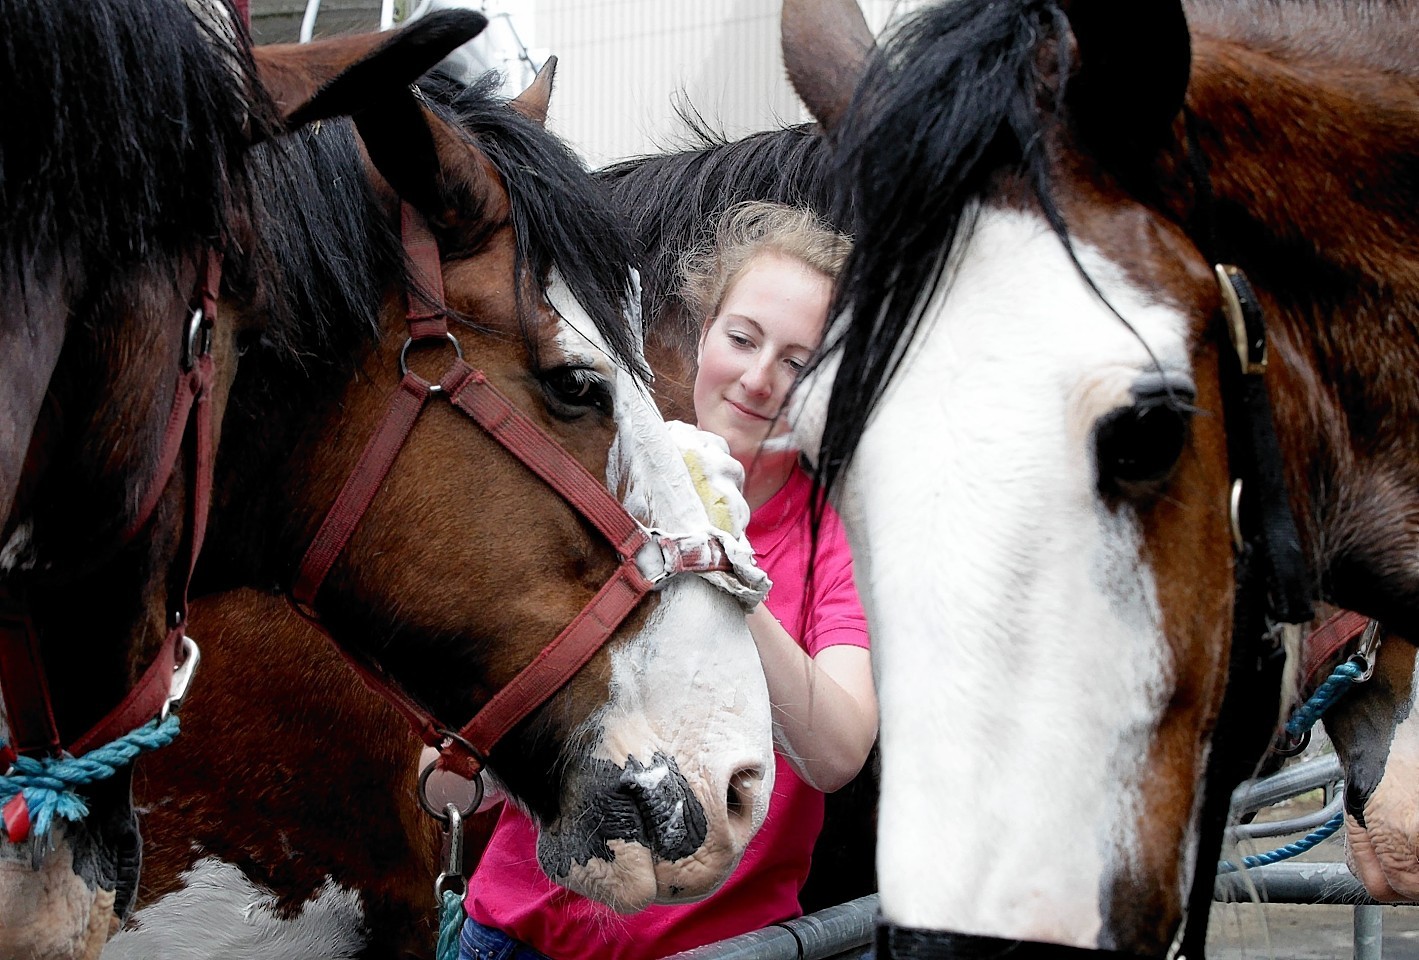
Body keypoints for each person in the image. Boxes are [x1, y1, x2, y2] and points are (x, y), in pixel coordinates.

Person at [457, 200, 876, 960]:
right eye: (742, 338)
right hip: (509, 935)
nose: (758, 379)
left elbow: (838, 751)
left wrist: (715, 556)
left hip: (711, 952)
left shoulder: (832, 540)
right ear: (704, 334)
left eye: (799, 361)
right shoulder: (602, 472)